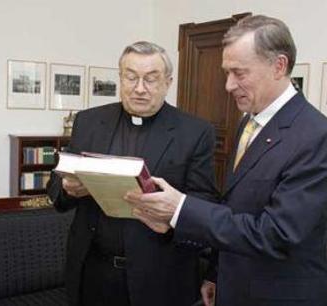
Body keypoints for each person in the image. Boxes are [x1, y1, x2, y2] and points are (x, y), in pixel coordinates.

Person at [125, 15, 327, 306]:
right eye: (227, 72)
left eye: (239, 73)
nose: (228, 85)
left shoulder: (317, 136)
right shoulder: (248, 124)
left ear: (279, 66)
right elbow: (233, 207)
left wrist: (180, 209)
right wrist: (215, 273)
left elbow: (277, 234)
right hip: (235, 286)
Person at [47, 41, 219, 306]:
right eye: (131, 77)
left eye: (151, 79)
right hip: (92, 272)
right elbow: (56, 189)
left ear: (168, 82)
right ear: (120, 78)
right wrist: (69, 188)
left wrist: (171, 218)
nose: (139, 88)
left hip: (160, 277)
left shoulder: (195, 132)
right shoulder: (89, 122)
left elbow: (205, 203)